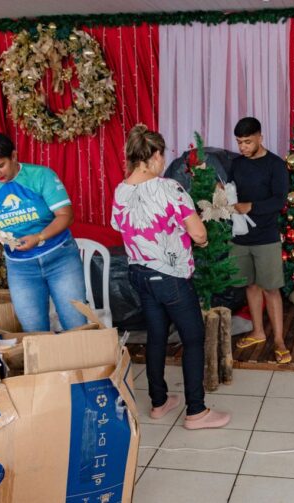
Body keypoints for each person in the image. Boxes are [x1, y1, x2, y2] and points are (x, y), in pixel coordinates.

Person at [111, 124, 231, 430]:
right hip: (171, 278)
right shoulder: (168, 188)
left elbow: (119, 226)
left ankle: (159, 402)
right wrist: (201, 242)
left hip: (138, 274)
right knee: (193, 338)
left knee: (157, 336)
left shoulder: (121, 190)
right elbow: (198, 231)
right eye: (162, 156)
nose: (164, 162)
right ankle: (196, 411)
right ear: (153, 155)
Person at [0, 126, 88, 332]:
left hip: (60, 258)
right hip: (20, 268)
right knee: (33, 330)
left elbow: (66, 216)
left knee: (76, 323)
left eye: (0, 165)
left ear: (13, 156)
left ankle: (84, 364)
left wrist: (39, 236)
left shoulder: (41, 176)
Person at [229, 117, 291, 364]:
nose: (242, 147)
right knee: (251, 286)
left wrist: (251, 206)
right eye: (239, 142)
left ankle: (279, 341)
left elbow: (280, 200)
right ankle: (258, 332)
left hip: (266, 237)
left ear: (260, 137)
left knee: (271, 289)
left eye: (247, 141)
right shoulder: (237, 164)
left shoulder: (275, 165)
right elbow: (232, 191)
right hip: (240, 237)